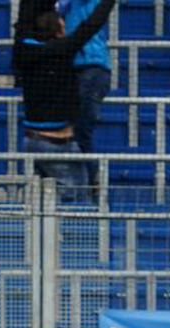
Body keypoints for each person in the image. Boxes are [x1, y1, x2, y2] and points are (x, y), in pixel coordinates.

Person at [11, 0, 116, 203]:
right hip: (56, 144)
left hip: (32, 141)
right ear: (60, 31)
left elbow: (22, 23)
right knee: (77, 206)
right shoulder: (63, 51)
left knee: (44, 206)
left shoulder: (23, 52)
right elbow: (91, 24)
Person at [60, 0, 113, 193]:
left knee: (81, 129)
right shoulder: (65, 6)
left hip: (92, 65)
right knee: (67, 128)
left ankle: (91, 181)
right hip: (69, 68)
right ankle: (79, 185)